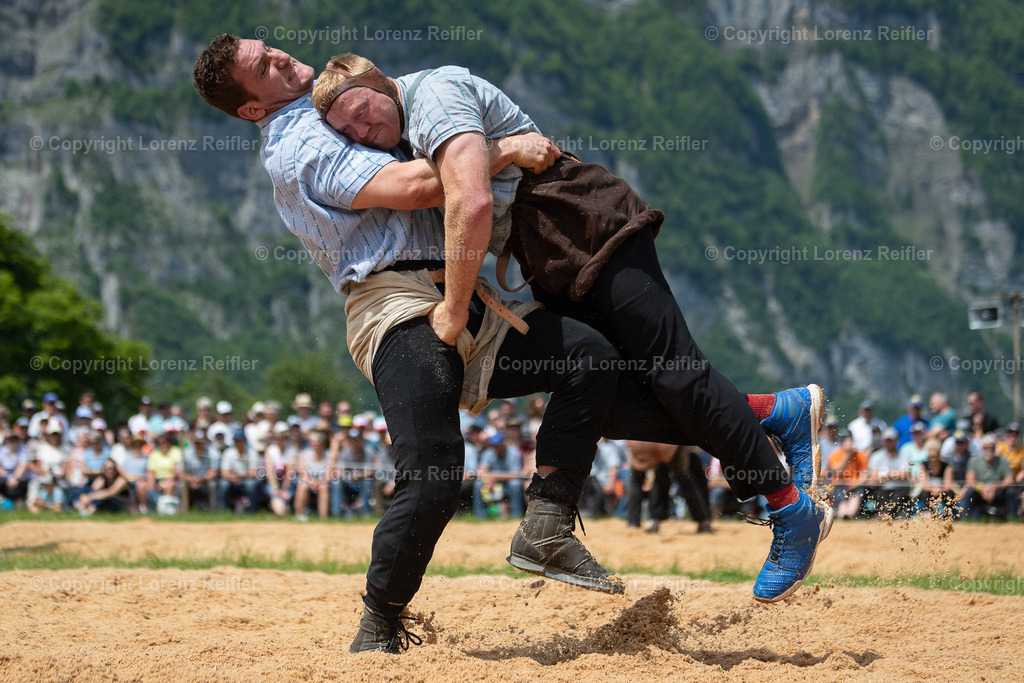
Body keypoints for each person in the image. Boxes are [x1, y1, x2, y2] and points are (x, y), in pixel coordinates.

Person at [192, 37, 828, 652]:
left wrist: (462, 290)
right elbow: (422, 189)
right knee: (435, 471)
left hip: (465, 287)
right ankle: (380, 620)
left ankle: (553, 523)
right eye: (264, 66)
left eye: (270, 48)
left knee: (593, 361)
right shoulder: (298, 136)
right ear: (253, 108)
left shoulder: (383, 100)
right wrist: (505, 149)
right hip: (396, 302)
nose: (280, 55)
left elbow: (443, 180)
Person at [959, 434, 1014, 519]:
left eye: (991, 448)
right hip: (979, 491)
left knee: (1010, 492)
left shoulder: (1003, 461)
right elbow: (969, 480)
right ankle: (966, 519)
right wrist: (982, 488)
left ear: (995, 448)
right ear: (982, 449)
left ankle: (1013, 519)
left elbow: (1009, 480)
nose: (989, 450)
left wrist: (996, 487)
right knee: (969, 492)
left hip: (998, 491)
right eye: (986, 448)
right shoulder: (974, 460)